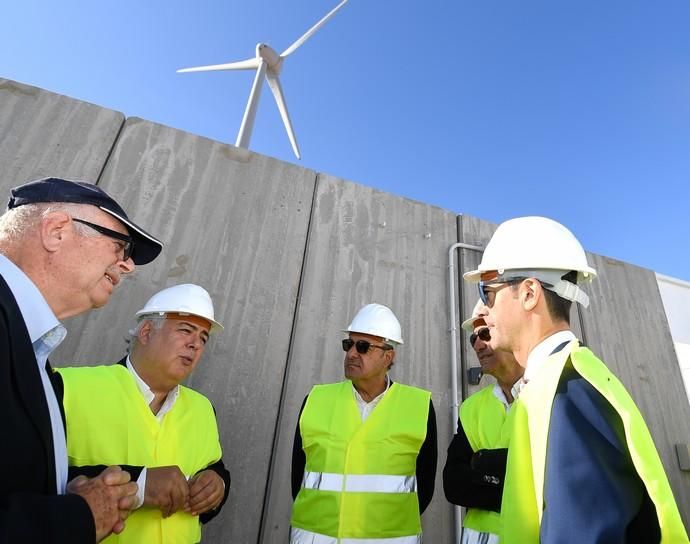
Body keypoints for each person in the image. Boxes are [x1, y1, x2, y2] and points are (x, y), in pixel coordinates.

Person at [463, 216, 689, 543]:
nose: (484, 310)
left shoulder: (567, 393)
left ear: (529, 293)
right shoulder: (559, 383)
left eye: (488, 292)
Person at [0, 176, 163, 543]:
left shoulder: (37, 360)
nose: (128, 267)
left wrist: (68, 493)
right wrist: (76, 517)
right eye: (121, 247)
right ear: (56, 231)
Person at [58, 283, 231, 544]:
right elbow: (29, 484)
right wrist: (139, 485)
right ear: (147, 332)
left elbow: (213, 467)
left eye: (203, 338)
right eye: (186, 330)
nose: (196, 344)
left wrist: (217, 485)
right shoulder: (68, 388)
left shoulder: (203, 408)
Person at [290, 303, 437, 544]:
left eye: (363, 347)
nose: (351, 354)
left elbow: (425, 485)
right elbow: (299, 476)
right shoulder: (316, 400)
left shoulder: (419, 406)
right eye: (348, 345)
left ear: (388, 356)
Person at [443, 301, 523, 544]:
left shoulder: (550, 395)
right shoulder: (472, 407)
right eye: (473, 339)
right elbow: (453, 484)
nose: (477, 344)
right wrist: (510, 479)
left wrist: (482, 463)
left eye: (485, 333)